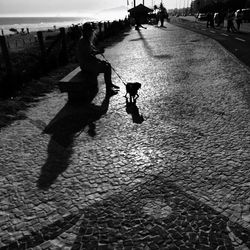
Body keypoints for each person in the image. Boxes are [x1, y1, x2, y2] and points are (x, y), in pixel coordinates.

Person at [77, 22, 119, 95]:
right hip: (86, 65)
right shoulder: (84, 41)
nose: (91, 32)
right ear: (86, 31)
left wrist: (99, 52)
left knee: (107, 65)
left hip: (87, 64)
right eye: (90, 30)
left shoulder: (85, 40)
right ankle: (109, 89)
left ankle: (109, 84)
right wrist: (98, 61)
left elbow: (91, 52)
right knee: (106, 67)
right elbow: (88, 56)